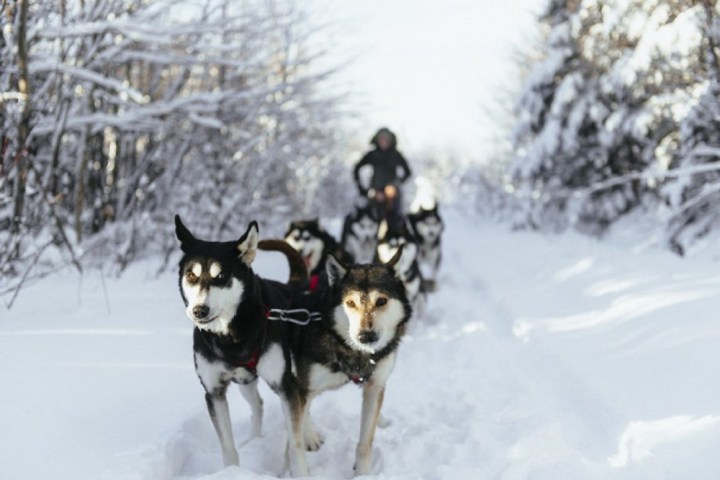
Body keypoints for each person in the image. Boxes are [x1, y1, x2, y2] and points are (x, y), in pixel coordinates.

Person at [353, 127, 411, 226]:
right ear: (377, 141)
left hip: (392, 190)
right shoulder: (372, 155)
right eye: (381, 139)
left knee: (396, 215)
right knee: (370, 213)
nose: (384, 142)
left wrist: (398, 183)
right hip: (375, 189)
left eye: (386, 139)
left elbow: (407, 172)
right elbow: (357, 168)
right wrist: (362, 189)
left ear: (391, 141)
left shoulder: (396, 154)